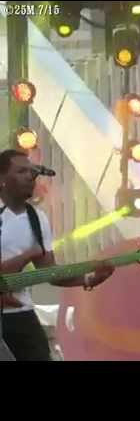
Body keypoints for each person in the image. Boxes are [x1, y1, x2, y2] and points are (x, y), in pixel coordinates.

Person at [0, 149, 114, 361]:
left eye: (31, 171)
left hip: (20, 314)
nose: (29, 176)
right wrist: (27, 256)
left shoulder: (37, 218)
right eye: (21, 171)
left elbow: (48, 272)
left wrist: (88, 278)